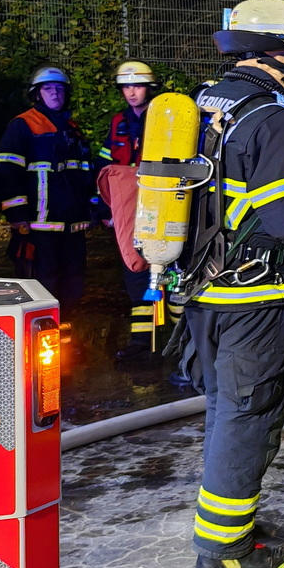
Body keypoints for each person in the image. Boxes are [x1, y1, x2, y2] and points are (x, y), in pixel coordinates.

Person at [176, 0, 284, 568]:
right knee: (250, 415)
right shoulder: (272, 119)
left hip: (201, 292)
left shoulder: (204, 103)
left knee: (225, 410)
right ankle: (223, 551)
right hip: (253, 294)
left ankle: (224, 526)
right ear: (282, 54)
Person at [0, 65, 96, 309]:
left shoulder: (72, 129)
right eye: (48, 88)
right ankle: (42, 328)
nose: (55, 93)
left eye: (59, 89)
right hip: (39, 225)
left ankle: (67, 326)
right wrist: (16, 214)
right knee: (42, 282)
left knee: (73, 280)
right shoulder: (24, 125)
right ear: (37, 94)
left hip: (73, 224)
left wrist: (92, 207)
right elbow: (6, 171)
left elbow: (86, 174)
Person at [98, 60, 163, 366]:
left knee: (165, 267)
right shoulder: (119, 122)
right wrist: (103, 204)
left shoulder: (164, 116)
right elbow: (107, 163)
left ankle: (176, 338)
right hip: (128, 205)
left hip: (159, 200)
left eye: (137, 86)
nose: (132, 92)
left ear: (150, 87)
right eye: (126, 87)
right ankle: (141, 341)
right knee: (135, 269)